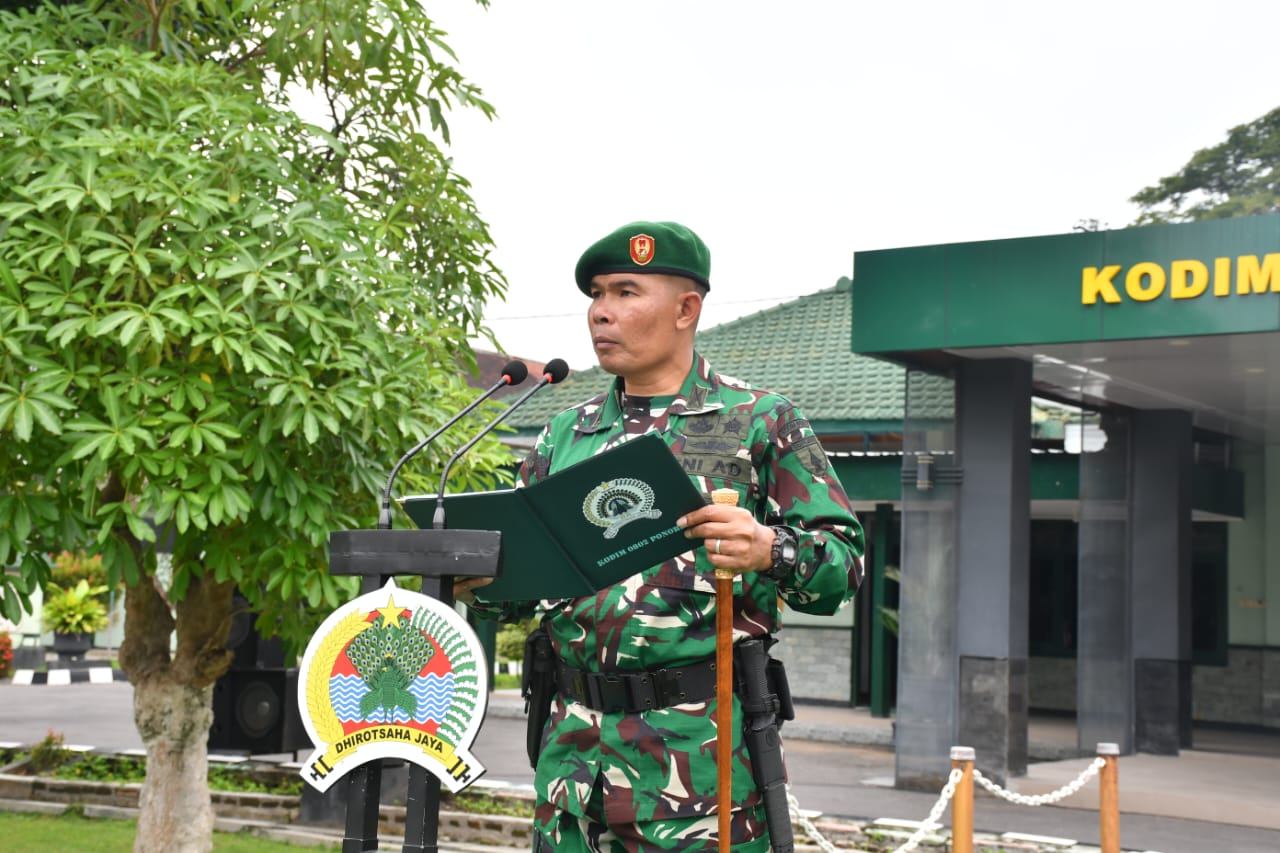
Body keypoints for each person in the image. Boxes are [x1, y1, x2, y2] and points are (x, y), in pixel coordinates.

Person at [457, 220, 864, 852]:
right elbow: (514, 597)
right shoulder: (564, 434)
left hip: (698, 774)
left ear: (686, 308)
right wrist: (477, 579)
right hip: (572, 768)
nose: (600, 314)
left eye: (625, 292)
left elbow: (843, 569)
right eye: (596, 294)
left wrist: (771, 548)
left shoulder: (759, 421)